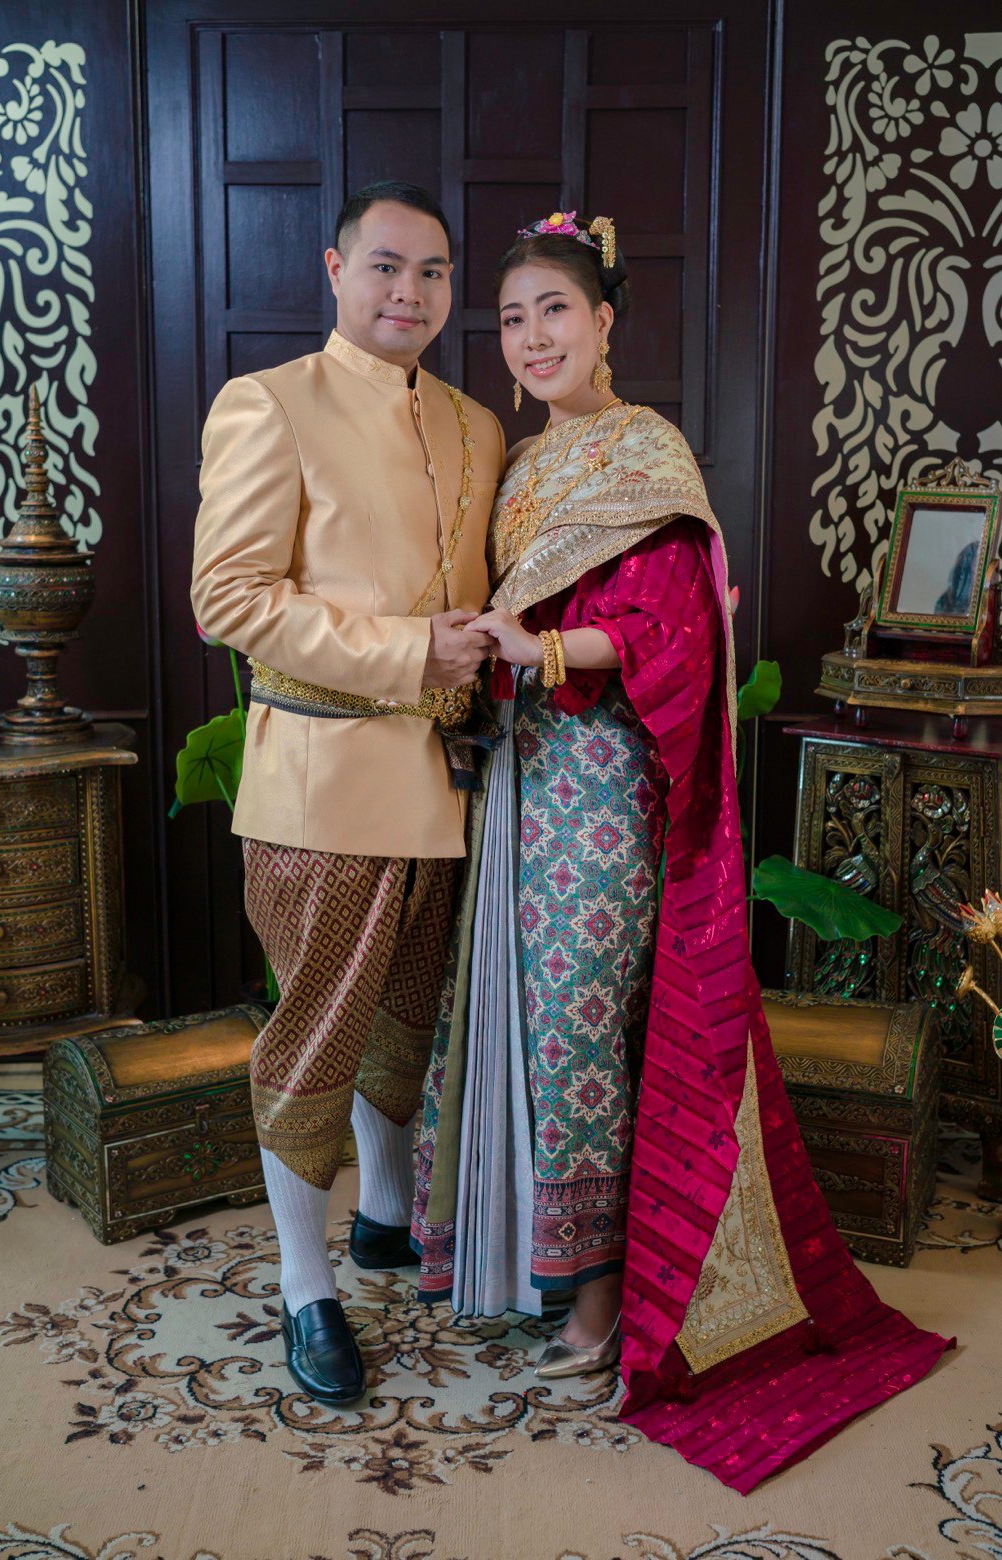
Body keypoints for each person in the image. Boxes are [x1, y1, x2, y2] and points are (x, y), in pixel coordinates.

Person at [411, 209, 952, 1491]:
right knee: (523, 1021)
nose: (533, 338)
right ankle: (541, 1271)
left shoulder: (643, 452)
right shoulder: (521, 468)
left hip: (603, 784)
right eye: (512, 319)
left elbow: (672, 632)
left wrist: (535, 646)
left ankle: (607, 1306)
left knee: (581, 1029)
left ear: (605, 321)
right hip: (521, 780)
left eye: (555, 310)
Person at [190, 181, 504, 1407]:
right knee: (317, 1036)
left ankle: (383, 1217)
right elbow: (230, 598)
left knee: (408, 1023)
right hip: (321, 789)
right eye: (385, 266)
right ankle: (305, 1283)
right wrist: (411, 651)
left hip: (448, 787)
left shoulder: (478, 425)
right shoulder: (270, 404)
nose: (408, 293)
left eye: (432, 273)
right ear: (335, 270)